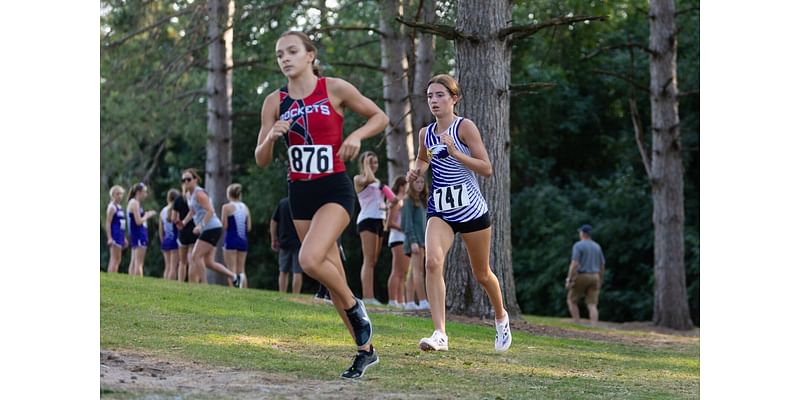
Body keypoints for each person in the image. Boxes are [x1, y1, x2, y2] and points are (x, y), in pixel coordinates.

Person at [254, 30, 388, 379]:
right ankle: (365, 352)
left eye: (292, 51)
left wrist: (356, 135)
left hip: (335, 189)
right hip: (300, 195)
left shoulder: (334, 88)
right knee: (332, 279)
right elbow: (261, 159)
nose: (285, 58)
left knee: (309, 259)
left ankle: (355, 306)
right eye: (279, 53)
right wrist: (271, 136)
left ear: (310, 55)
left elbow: (379, 117)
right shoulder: (274, 101)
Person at [406, 74, 512, 353]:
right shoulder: (425, 133)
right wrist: (416, 171)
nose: (434, 101)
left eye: (440, 95)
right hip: (440, 209)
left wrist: (456, 153)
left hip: (472, 210)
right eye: (430, 96)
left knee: (482, 274)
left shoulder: (464, 128)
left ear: (454, 98)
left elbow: (486, 167)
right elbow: (423, 157)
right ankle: (440, 333)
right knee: (432, 263)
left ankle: (501, 316)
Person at [176, 168, 242, 287]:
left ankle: (204, 286)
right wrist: (184, 222)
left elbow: (210, 211)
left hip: (212, 227)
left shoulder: (199, 194)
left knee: (195, 255)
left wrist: (201, 226)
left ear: (195, 180)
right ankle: (234, 277)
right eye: (183, 180)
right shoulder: (188, 194)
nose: (186, 182)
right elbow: (192, 211)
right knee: (209, 262)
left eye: (189, 179)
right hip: (209, 228)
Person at [354, 151, 396, 305]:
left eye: (375, 162)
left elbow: (388, 200)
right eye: (370, 162)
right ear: (364, 163)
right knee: (368, 259)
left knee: (374, 260)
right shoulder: (359, 179)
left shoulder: (377, 182)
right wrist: (366, 165)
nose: (374, 165)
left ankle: (370, 296)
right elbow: (369, 178)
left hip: (379, 221)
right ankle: (368, 297)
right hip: (367, 221)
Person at [565, 224, 606, 327]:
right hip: (595, 276)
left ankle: (577, 323)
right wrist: (600, 278)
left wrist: (569, 278)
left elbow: (574, 264)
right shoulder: (597, 246)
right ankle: (594, 325)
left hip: (582, 275)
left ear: (583, 233)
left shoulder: (578, 245)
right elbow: (602, 265)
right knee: (592, 304)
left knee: (572, 299)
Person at [402, 175, 430, 311]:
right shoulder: (408, 201)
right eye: (417, 182)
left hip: (422, 241)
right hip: (415, 241)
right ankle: (423, 301)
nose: (419, 184)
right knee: (418, 272)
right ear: (412, 184)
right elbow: (407, 223)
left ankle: (409, 302)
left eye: (421, 182)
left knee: (413, 272)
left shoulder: (423, 201)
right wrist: (413, 241)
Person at [386, 176, 409, 309]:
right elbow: (389, 223)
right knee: (397, 271)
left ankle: (401, 301)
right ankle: (393, 300)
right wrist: (404, 228)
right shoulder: (396, 201)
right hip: (397, 239)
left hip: (402, 239)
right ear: (401, 186)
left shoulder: (404, 201)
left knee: (403, 272)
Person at [271, 197, 303, 294]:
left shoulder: (283, 203)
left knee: (283, 270)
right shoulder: (302, 203)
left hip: (284, 240)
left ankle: (282, 293)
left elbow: (273, 221)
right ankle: (296, 294)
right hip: (298, 241)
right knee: (297, 271)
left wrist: (273, 238)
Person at [222, 183, 251, 288]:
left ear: (228, 194)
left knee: (231, 268)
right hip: (243, 240)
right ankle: (244, 289)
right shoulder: (245, 207)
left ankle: (233, 291)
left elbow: (224, 225)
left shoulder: (226, 207)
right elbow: (248, 227)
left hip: (231, 239)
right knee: (241, 269)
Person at [126, 182, 157, 276]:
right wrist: (147, 215)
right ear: (139, 192)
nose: (146, 194)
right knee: (139, 263)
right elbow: (138, 221)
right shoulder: (134, 203)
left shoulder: (135, 203)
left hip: (137, 234)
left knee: (134, 261)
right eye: (145, 192)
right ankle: (139, 283)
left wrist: (145, 214)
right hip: (138, 234)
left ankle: (131, 283)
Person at [173, 178, 198, 283]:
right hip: (194, 229)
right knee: (192, 259)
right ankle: (193, 282)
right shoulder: (195, 199)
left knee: (182, 261)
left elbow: (174, 218)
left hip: (183, 231)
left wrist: (179, 222)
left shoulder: (178, 199)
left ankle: (180, 282)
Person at [105, 185, 128, 273]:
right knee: (114, 258)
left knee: (118, 259)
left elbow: (121, 224)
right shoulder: (112, 207)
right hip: (114, 235)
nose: (120, 196)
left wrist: (124, 237)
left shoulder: (119, 207)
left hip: (120, 235)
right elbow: (108, 223)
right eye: (118, 194)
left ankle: (113, 275)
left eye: (121, 194)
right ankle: (111, 276)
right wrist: (109, 238)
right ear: (113, 195)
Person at [159, 189, 181, 280]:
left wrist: (162, 240)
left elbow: (160, 229)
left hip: (166, 240)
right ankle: (170, 285)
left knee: (167, 266)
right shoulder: (176, 210)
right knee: (173, 267)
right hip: (174, 240)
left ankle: (165, 285)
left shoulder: (163, 211)